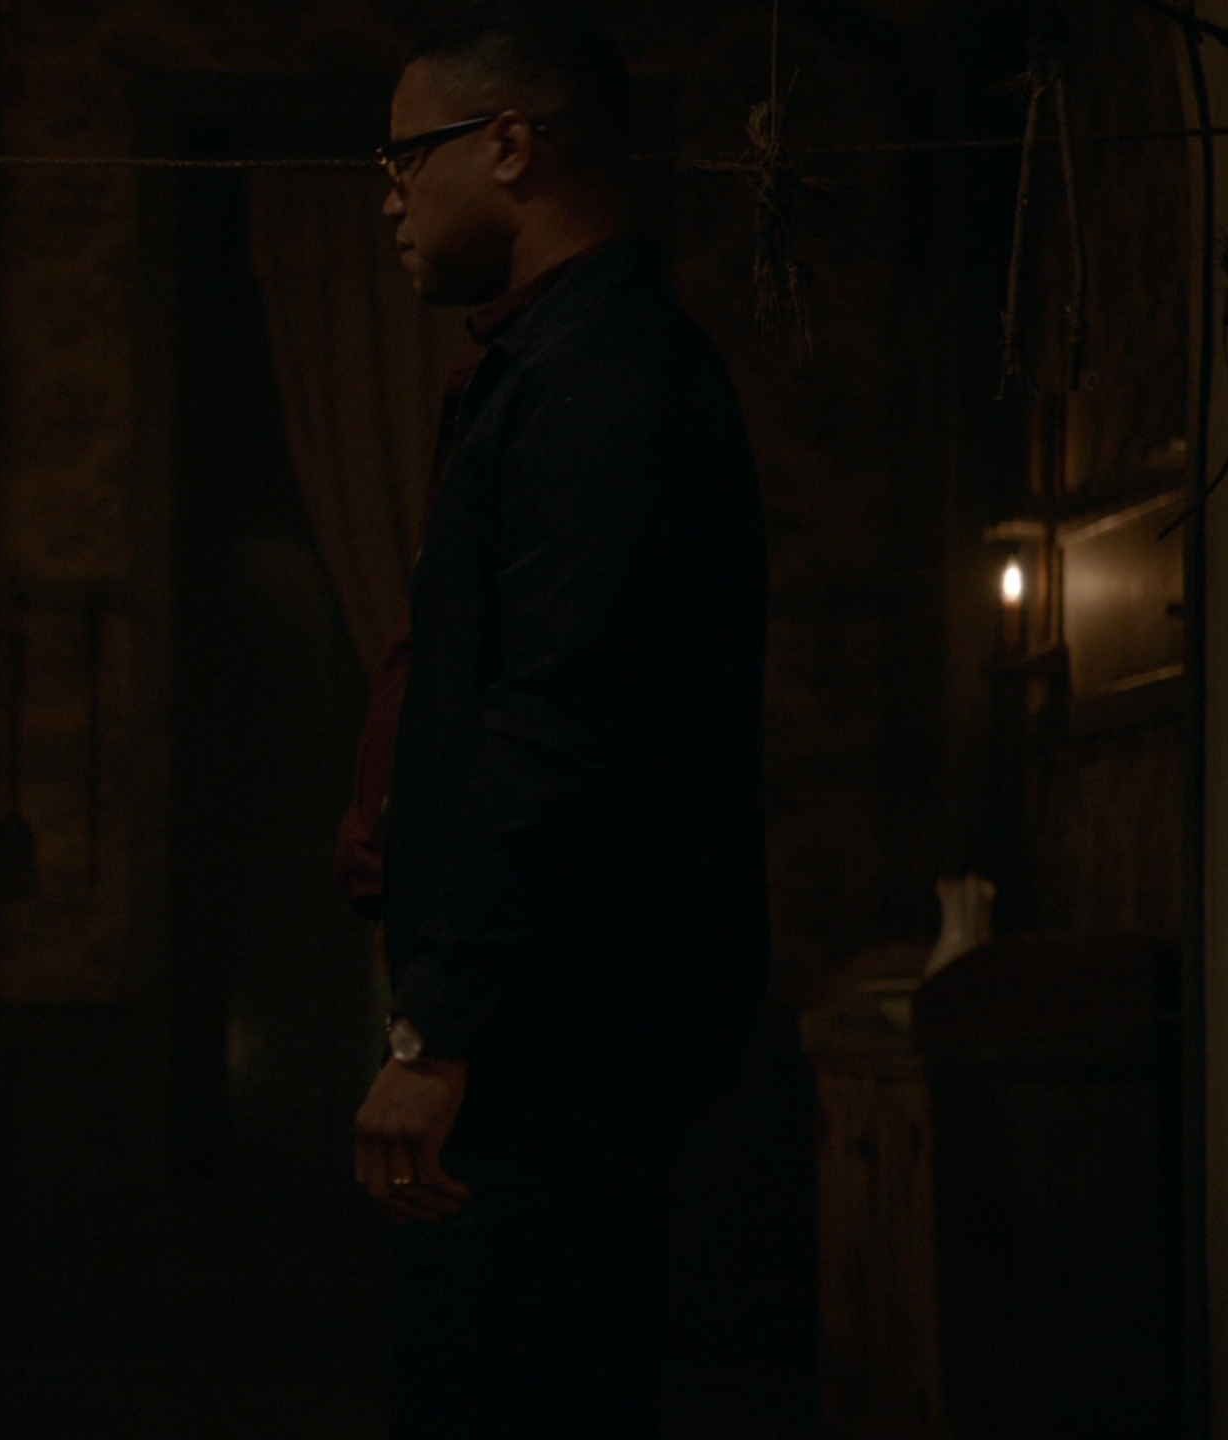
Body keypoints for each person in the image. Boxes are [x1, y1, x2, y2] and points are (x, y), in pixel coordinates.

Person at [343, 5, 769, 1435]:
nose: (389, 196)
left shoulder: (602, 378)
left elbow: (560, 719)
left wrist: (440, 1029)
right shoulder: (556, 364)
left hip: (558, 1034)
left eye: (406, 158)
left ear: (511, 145)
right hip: (542, 1021)